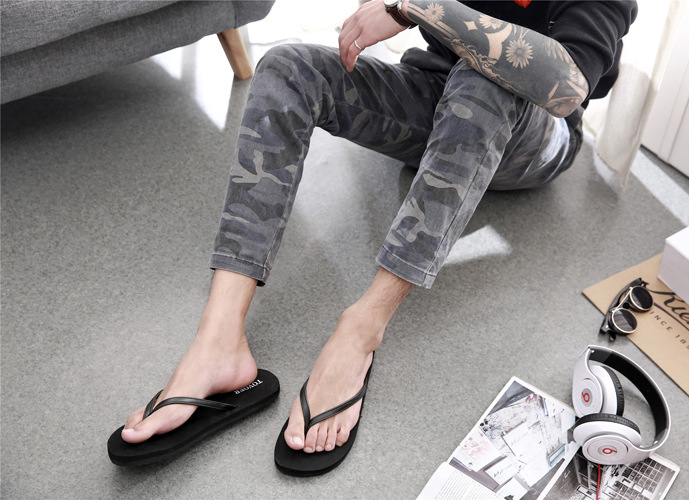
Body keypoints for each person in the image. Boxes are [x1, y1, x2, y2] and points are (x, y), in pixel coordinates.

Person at [108, 0, 637, 475]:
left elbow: (567, 85)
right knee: (287, 68)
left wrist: (416, 8)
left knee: (485, 81)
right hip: (432, 94)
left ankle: (361, 329)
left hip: (531, 139)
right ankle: (219, 340)